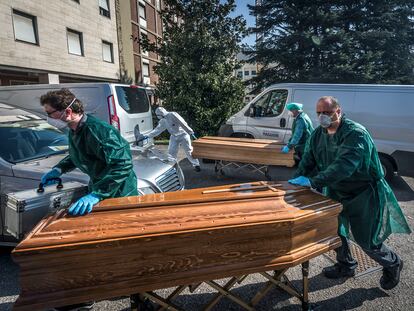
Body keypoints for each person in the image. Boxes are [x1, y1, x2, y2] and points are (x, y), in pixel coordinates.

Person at [289, 96, 411, 290]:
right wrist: (297, 179)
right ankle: (346, 264)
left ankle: (393, 262)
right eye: (319, 112)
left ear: (338, 111)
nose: (322, 117)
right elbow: (308, 159)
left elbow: (344, 166)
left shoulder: (355, 134)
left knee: (367, 239)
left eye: (327, 112)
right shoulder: (318, 134)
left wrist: (313, 181)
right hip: (336, 189)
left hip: (363, 192)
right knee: (335, 230)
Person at [40, 88, 138, 216]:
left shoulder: (99, 131)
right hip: (101, 186)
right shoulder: (75, 130)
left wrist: (98, 194)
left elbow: (123, 164)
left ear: (68, 111)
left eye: (50, 113)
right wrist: (59, 169)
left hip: (119, 191)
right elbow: (80, 153)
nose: (48, 118)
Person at [143, 107, 201, 172]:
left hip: (183, 135)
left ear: (161, 114)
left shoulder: (173, 115)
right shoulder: (163, 121)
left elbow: (182, 123)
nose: (157, 116)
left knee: (189, 151)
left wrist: (190, 132)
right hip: (174, 136)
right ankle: (172, 166)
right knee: (171, 152)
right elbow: (158, 130)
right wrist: (148, 136)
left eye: (158, 115)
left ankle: (196, 165)